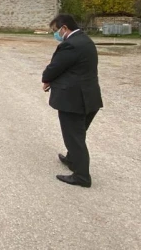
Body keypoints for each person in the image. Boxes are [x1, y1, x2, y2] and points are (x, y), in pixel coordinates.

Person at [42, 14, 103, 188]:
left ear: (64, 28)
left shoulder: (70, 45)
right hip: (89, 97)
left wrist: (46, 79)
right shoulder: (85, 40)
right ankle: (71, 159)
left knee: (74, 137)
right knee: (77, 133)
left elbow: (55, 67)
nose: (56, 34)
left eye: (56, 31)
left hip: (74, 100)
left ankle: (82, 176)